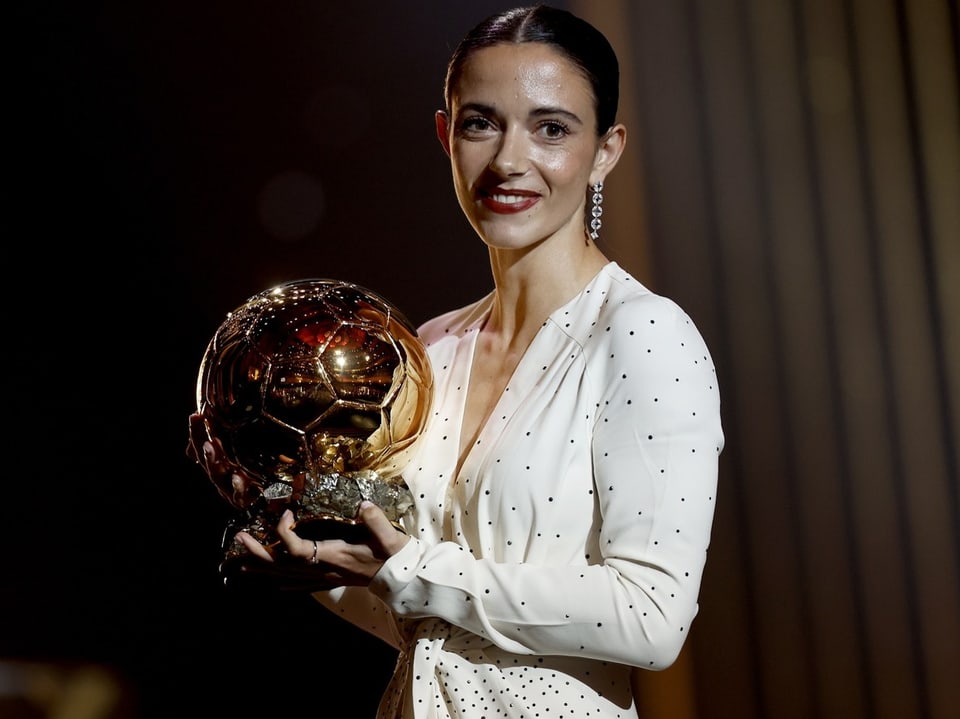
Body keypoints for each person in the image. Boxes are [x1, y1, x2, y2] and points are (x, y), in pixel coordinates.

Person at [188, 5, 723, 717]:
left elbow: (652, 617)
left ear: (606, 150)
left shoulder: (642, 335)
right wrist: (297, 542)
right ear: (445, 135)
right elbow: (425, 624)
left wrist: (411, 570)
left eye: (552, 128)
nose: (508, 160)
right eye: (480, 123)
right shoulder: (428, 349)